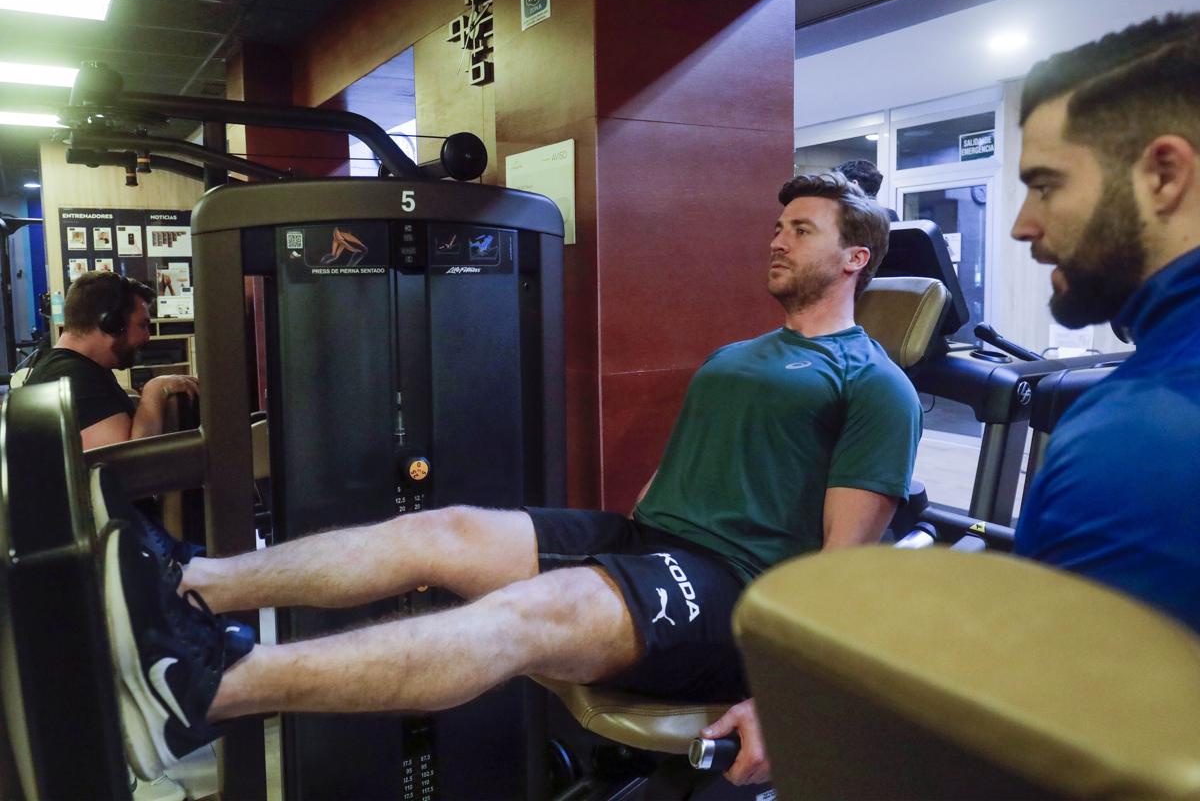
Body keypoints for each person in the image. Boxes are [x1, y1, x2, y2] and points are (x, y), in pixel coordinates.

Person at [104, 173, 922, 786]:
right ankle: (189, 585)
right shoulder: (743, 351)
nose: (776, 239)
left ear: (855, 258)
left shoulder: (877, 385)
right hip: (651, 542)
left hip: (738, 595)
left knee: (523, 616)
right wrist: (627, 542)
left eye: (801, 230)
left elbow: (839, 570)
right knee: (442, 530)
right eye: (778, 226)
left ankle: (206, 692)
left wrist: (790, 696)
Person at [1011, 12, 1200, 632]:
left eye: (1044, 185)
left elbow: (1048, 721)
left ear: (1164, 177)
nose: (1023, 225)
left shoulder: (1137, 436)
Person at [25, 271, 199, 451]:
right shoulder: (75, 378)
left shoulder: (72, 369)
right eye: (142, 325)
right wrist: (155, 390)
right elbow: (132, 463)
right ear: (111, 324)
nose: (147, 336)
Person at [835, 158, 899, 221]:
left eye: (840, 183)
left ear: (854, 185)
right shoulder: (890, 215)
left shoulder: (843, 218)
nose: (836, 189)